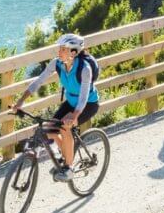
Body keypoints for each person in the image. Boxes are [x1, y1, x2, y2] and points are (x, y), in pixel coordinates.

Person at [11, 33, 99, 181]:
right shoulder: (57, 63)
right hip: (71, 102)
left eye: (63, 49)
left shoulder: (84, 69)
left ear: (73, 52)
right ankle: (66, 152)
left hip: (88, 105)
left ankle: (68, 168)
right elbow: (38, 81)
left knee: (65, 127)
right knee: (48, 129)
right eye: (59, 49)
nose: (59, 52)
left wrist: (74, 116)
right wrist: (20, 101)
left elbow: (83, 98)